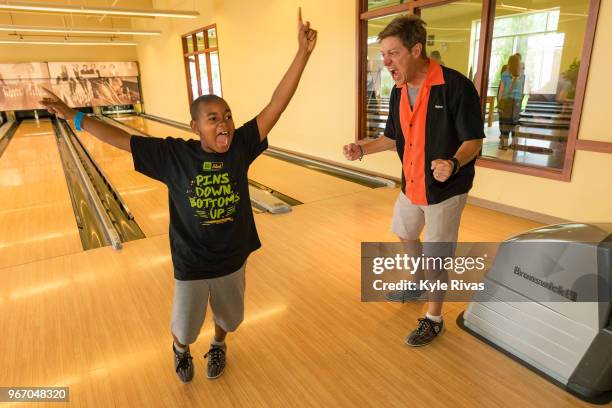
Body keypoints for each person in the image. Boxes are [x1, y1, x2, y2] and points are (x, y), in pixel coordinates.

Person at [41, 8, 317, 382]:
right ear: (196, 126)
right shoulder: (175, 155)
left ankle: (218, 346)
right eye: (213, 118)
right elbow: (120, 139)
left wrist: (302, 53)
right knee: (186, 327)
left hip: (232, 259)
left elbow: (276, 104)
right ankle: (181, 349)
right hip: (191, 262)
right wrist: (73, 116)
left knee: (230, 319)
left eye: (228, 115)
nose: (225, 123)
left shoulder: (240, 147)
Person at [342, 15, 484, 347]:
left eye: (392, 53)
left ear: (416, 49)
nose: (385, 61)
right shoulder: (399, 91)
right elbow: (393, 137)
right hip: (412, 184)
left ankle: (434, 319)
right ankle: (420, 280)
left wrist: (453, 162)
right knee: (404, 231)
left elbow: (474, 140)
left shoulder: (455, 86)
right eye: (383, 54)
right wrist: (362, 150)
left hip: (446, 190)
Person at [497, 54, 524, 149]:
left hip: (507, 100)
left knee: (505, 122)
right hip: (517, 101)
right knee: (515, 122)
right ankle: (513, 143)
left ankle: (504, 144)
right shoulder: (522, 75)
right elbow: (522, 89)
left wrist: (500, 102)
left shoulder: (505, 74)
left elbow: (502, 90)